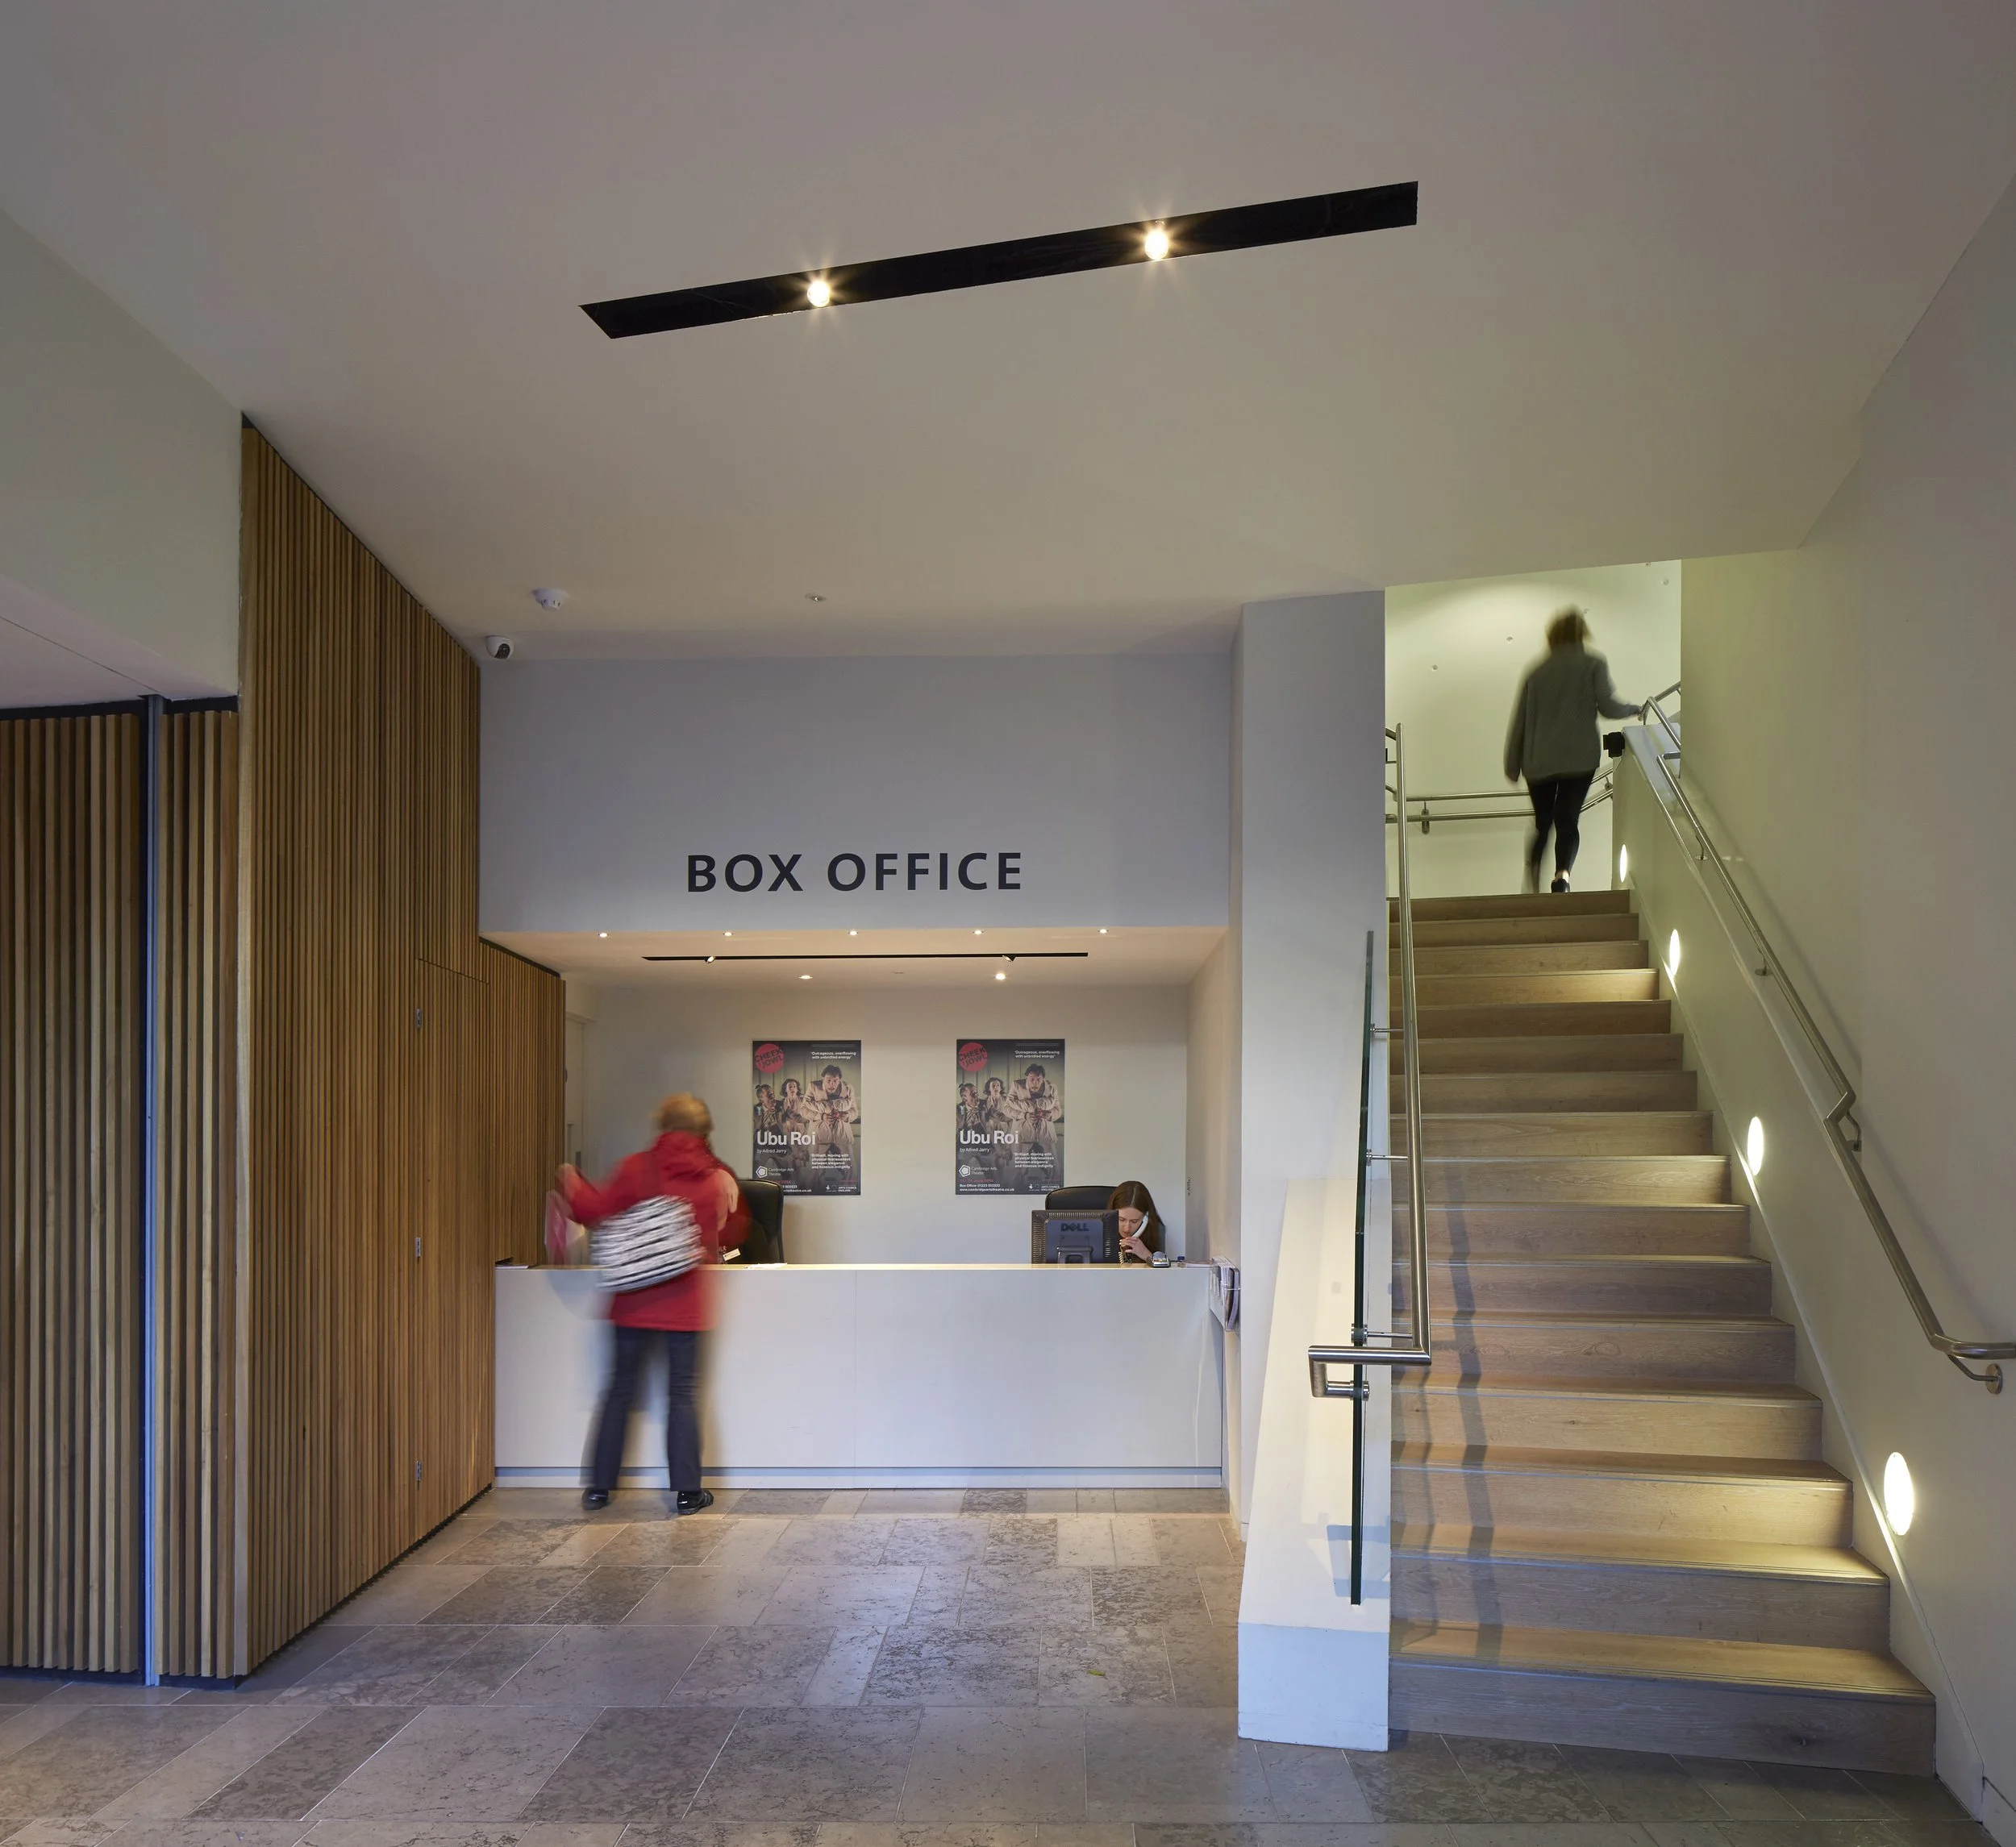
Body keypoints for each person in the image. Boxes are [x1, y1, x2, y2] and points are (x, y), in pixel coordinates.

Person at [560, 1092, 747, 1514]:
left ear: (662, 1125)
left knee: (618, 1391)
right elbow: (731, 1234)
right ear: (704, 1131)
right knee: (682, 1395)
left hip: (632, 1302)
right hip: (687, 1306)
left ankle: (599, 1489)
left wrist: (572, 1182)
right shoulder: (713, 1181)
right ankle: (687, 1493)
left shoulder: (635, 1168)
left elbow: (594, 1211)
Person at [1503, 606, 1639, 892]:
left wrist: (1511, 764)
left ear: (1551, 635)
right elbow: (1608, 706)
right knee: (1567, 819)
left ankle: (1534, 872)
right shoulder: (1593, 663)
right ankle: (1562, 876)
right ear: (1581, 633)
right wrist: (1635, 709)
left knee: (1543, 823)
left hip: (1538, 760)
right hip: (1579, 757)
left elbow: (1520, 721)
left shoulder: (1535, 672)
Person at [1110, 1180, 1166, 1263]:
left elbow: (1163, 1269)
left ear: (1145, 1218)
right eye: (1121, 1220)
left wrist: (1146, 1254)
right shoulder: (1101, 1228)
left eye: (1134, 1221)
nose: (1127, 1228)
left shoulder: (1157, 1229)